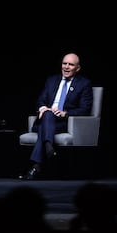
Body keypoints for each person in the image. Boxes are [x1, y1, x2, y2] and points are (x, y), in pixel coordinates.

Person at [19, 52, 93, 180]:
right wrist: (42, 108)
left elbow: (85, 109)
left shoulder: (84, 84)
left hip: (64, 123)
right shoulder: (51, 80)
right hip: (46, 120)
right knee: (47, 113)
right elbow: (40, 101)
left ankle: (36, 165)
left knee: (47, 121)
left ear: (78, 68)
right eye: (64, 63)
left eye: (71, 64)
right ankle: (48, 146)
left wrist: (66, 113)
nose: (66, 67)